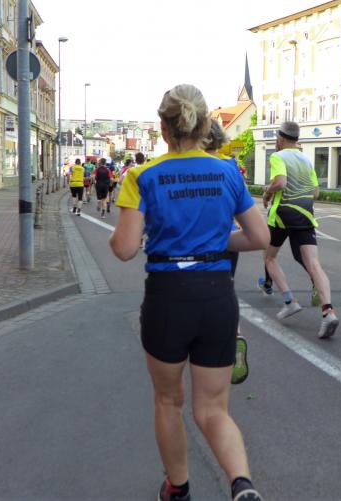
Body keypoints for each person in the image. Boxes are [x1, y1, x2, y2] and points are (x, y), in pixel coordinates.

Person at [110, 84, 267, 501]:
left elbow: (124, 249)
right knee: (213, 409)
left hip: (168, 298)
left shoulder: (142, 176)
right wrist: (213, 242)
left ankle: (178, 489)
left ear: (163, 127)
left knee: (168, 400)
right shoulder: (228, 172)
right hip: (217, 296)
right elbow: (259, 237)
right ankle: (242, 484)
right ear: (203, 125)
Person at [261, 121, 339, 339]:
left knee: (269, 257)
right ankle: (328, 312)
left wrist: (267, 192)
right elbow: (316, 192)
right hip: (305, 214)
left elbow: (280, 182)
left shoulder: (278, 156)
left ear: (280, 138)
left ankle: (290, 301)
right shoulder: (306, 159)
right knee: (314, 263)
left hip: (282, 214)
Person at [203, 120, 249, 385]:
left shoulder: (194, 165)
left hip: (201, 240)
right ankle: (236, 334)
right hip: (229, 237)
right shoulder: (231, 166)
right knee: (226, 288)